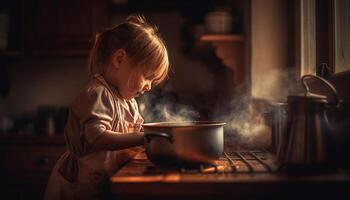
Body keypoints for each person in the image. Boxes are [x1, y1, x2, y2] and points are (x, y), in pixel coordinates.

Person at [44, 15, 169, 200]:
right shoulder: (97, 93)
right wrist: (144, 138)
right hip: (78, 187)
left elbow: (135, 135)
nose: (149, 86)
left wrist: (158, 134)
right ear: (119, 60)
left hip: (103, 185)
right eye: (147, 76)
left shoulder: (129, 103)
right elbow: (98, 138)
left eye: (153, 81)